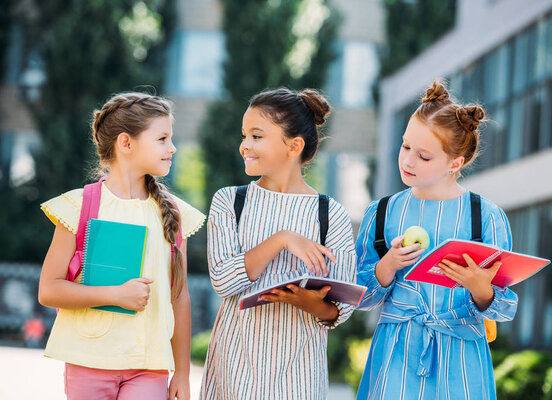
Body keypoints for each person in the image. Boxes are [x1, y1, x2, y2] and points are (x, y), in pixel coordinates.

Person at [355, 80, 518, 399]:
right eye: (405, 147)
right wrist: (387, 265)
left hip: (461, 358)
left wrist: (479, 287)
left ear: (455, 163)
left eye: (424, 156)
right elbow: (361, 298)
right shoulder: (382, 212)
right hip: (395, 356)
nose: (408, 161)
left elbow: (503, 305)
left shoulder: (485, 216)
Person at [38, 93, 205, 400]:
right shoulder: (78, 208)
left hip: (149, 366)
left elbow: (179, 297)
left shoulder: (174, 214)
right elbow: (49, 290)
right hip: (88, 361)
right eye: (163, 138)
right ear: (126, 143)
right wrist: (115, 294)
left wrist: (181, 371)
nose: (172, 148)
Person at [199, 88, 357, 400]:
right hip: (235, 370)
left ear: (294, 146)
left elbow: (344, 306)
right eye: (244, 135)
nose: (245, 145)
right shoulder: (230, 201)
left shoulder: (330, 213)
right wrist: (282, 239)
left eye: (256, 136)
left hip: (300, 376)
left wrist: (308, 302)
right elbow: (222, 279)